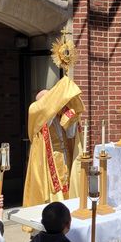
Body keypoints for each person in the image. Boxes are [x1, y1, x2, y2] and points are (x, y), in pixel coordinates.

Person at [23, 76, 85, 208]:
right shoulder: (36, 113)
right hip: (49, 157)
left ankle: (68, 208)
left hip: (64, 154)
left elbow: (70, 134)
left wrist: (73, 117)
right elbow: (46, 118)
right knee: (55, 188)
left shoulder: (59, 114)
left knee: (68, 182)